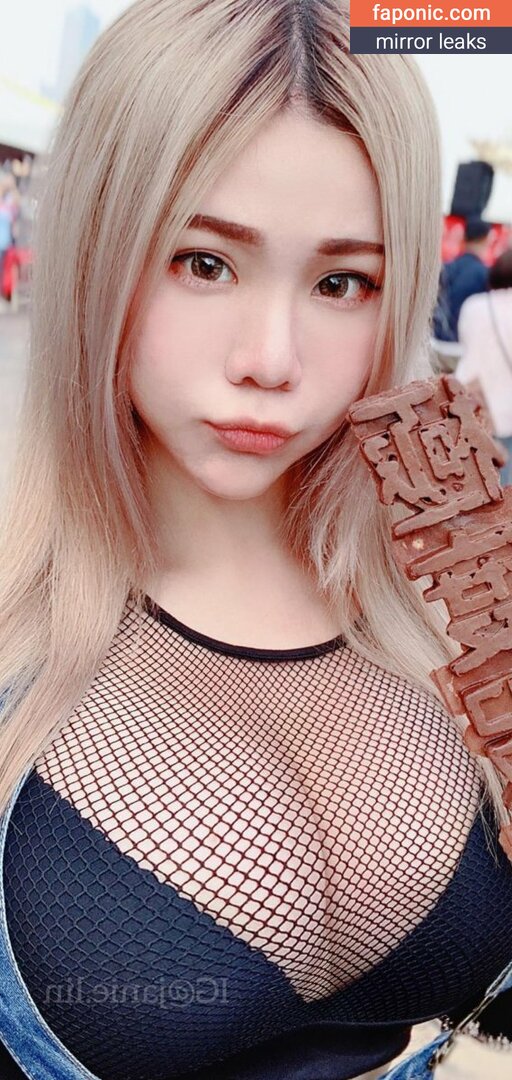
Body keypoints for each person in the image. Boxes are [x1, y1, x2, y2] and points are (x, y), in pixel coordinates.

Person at [0, 3, 510, 1080]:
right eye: (203, 262)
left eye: (340, 283)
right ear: (98, 246)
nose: (270, 360)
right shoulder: (16, 644)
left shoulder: (455, 585)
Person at [456, 249, 512, 487]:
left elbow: (464, 342)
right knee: (505, 480)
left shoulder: (474, 305)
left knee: (475, 476)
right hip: (507, 409)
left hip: (474, 401)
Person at [432, 215, 491, 349]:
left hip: (437, 342)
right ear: (485, 238)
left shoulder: (445, 268)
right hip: (465, 345)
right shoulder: (485, 274)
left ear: (464, 237)